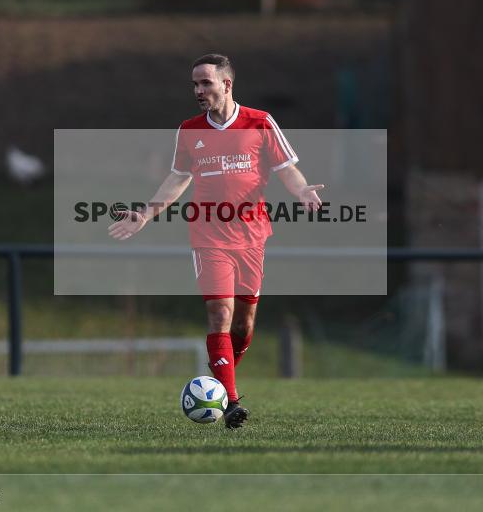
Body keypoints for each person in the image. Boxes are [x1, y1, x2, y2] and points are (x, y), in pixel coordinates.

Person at [109, 54, 323, 429]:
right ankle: (231, 402)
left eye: (205, 83)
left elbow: (285, 168)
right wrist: (145, 213)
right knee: (219, 314)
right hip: (208, 236)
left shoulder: (260, 122)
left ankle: (217, 378)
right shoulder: (190, 130)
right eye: (194, 84)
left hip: (252, 237)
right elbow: (178, 178)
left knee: (243, 325)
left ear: (227, 84)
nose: (198, 90)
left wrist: (303, 190)